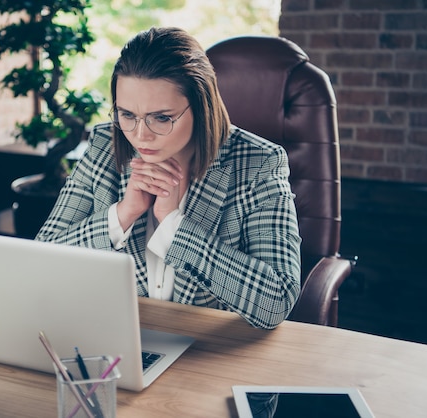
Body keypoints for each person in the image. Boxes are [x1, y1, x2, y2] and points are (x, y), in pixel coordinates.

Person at [36, 27, 301, 329]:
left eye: (161, 117)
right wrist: (122, 214)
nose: (140, 135)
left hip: (209, 350)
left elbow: (276, 300)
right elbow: (42, 263)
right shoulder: (104, 146)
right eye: (127, 114)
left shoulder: (259, 163)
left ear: (202, 107)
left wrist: (174, 226)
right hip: (116, 340)